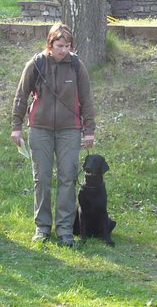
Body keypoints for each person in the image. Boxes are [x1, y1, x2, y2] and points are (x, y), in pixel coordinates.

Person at [11, 23, 96, 248]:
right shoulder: (36, 64)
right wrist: (16, 126)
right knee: (42, 179)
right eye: (59, 45)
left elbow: (87, 99)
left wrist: (89, 131)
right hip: (40, 129)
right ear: (50, 44)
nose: (63, 50)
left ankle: (65, 228)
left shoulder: (77, 66)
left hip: (70, 130)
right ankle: (42, 227)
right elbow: (21, 96)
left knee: (68, 177)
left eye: (67, 46)